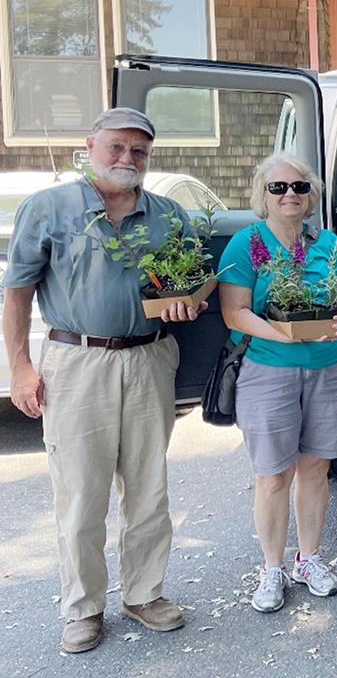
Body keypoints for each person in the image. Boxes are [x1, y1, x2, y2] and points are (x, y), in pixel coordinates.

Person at [2, 108, 200, 652]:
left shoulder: (168, 214)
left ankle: (144, 594)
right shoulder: (49, 208)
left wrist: (186, 304)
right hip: (76, 360)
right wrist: (20, 366)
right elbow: (16, 291)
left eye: (138, 151)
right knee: (81, 492)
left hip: (149, 358)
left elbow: (188, 284)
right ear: (90, 146)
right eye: (116, 147)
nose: (126, 159)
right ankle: (83, 608)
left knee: (147, 488)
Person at [217, 152, 337, 613]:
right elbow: (234, 311)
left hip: (327, 365)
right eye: (278, 188)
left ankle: (309, 558)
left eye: (298, 186)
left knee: (316, 467)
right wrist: (283, 331)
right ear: (264, 195)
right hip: (268, 368)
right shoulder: (246, 243)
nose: (290, 195)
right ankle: (271, 567)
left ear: (311, 194)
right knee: (274, 474)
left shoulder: (329, 243)